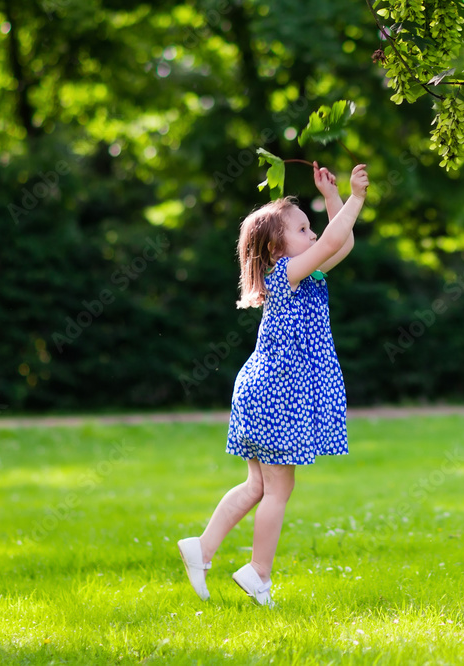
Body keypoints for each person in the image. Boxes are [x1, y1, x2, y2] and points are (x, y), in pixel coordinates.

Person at [178, 161, 370, 606]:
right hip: (275, 394)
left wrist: (332, 200)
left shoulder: (304, 274)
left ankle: (202, 547)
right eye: (302, 230)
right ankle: (258, 573)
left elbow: (341, 243)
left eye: (310, 228)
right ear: (275, 246)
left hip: (264, 392)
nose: (312, 235)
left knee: (258, 486)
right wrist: (356, 198)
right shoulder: (287, 275)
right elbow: (336, 238)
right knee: (279, 489)